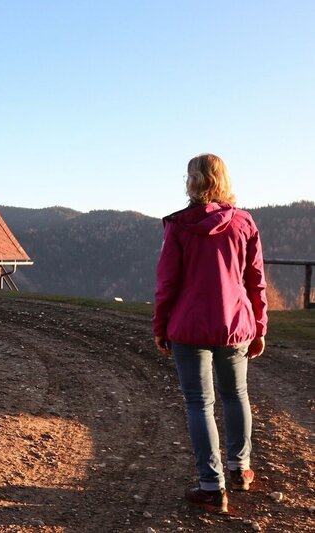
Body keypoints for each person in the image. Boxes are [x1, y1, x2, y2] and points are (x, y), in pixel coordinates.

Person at [153, 153, 268, 514]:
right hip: (236, 326)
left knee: (199, 404)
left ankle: (211, 485)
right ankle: (240, 469)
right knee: (236, 396)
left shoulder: (179, 225)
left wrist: (160, 325)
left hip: (189, 327)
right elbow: (256, 282)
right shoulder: (245, 223)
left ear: (192, 181)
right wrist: (260, 326)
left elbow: (167, 282)